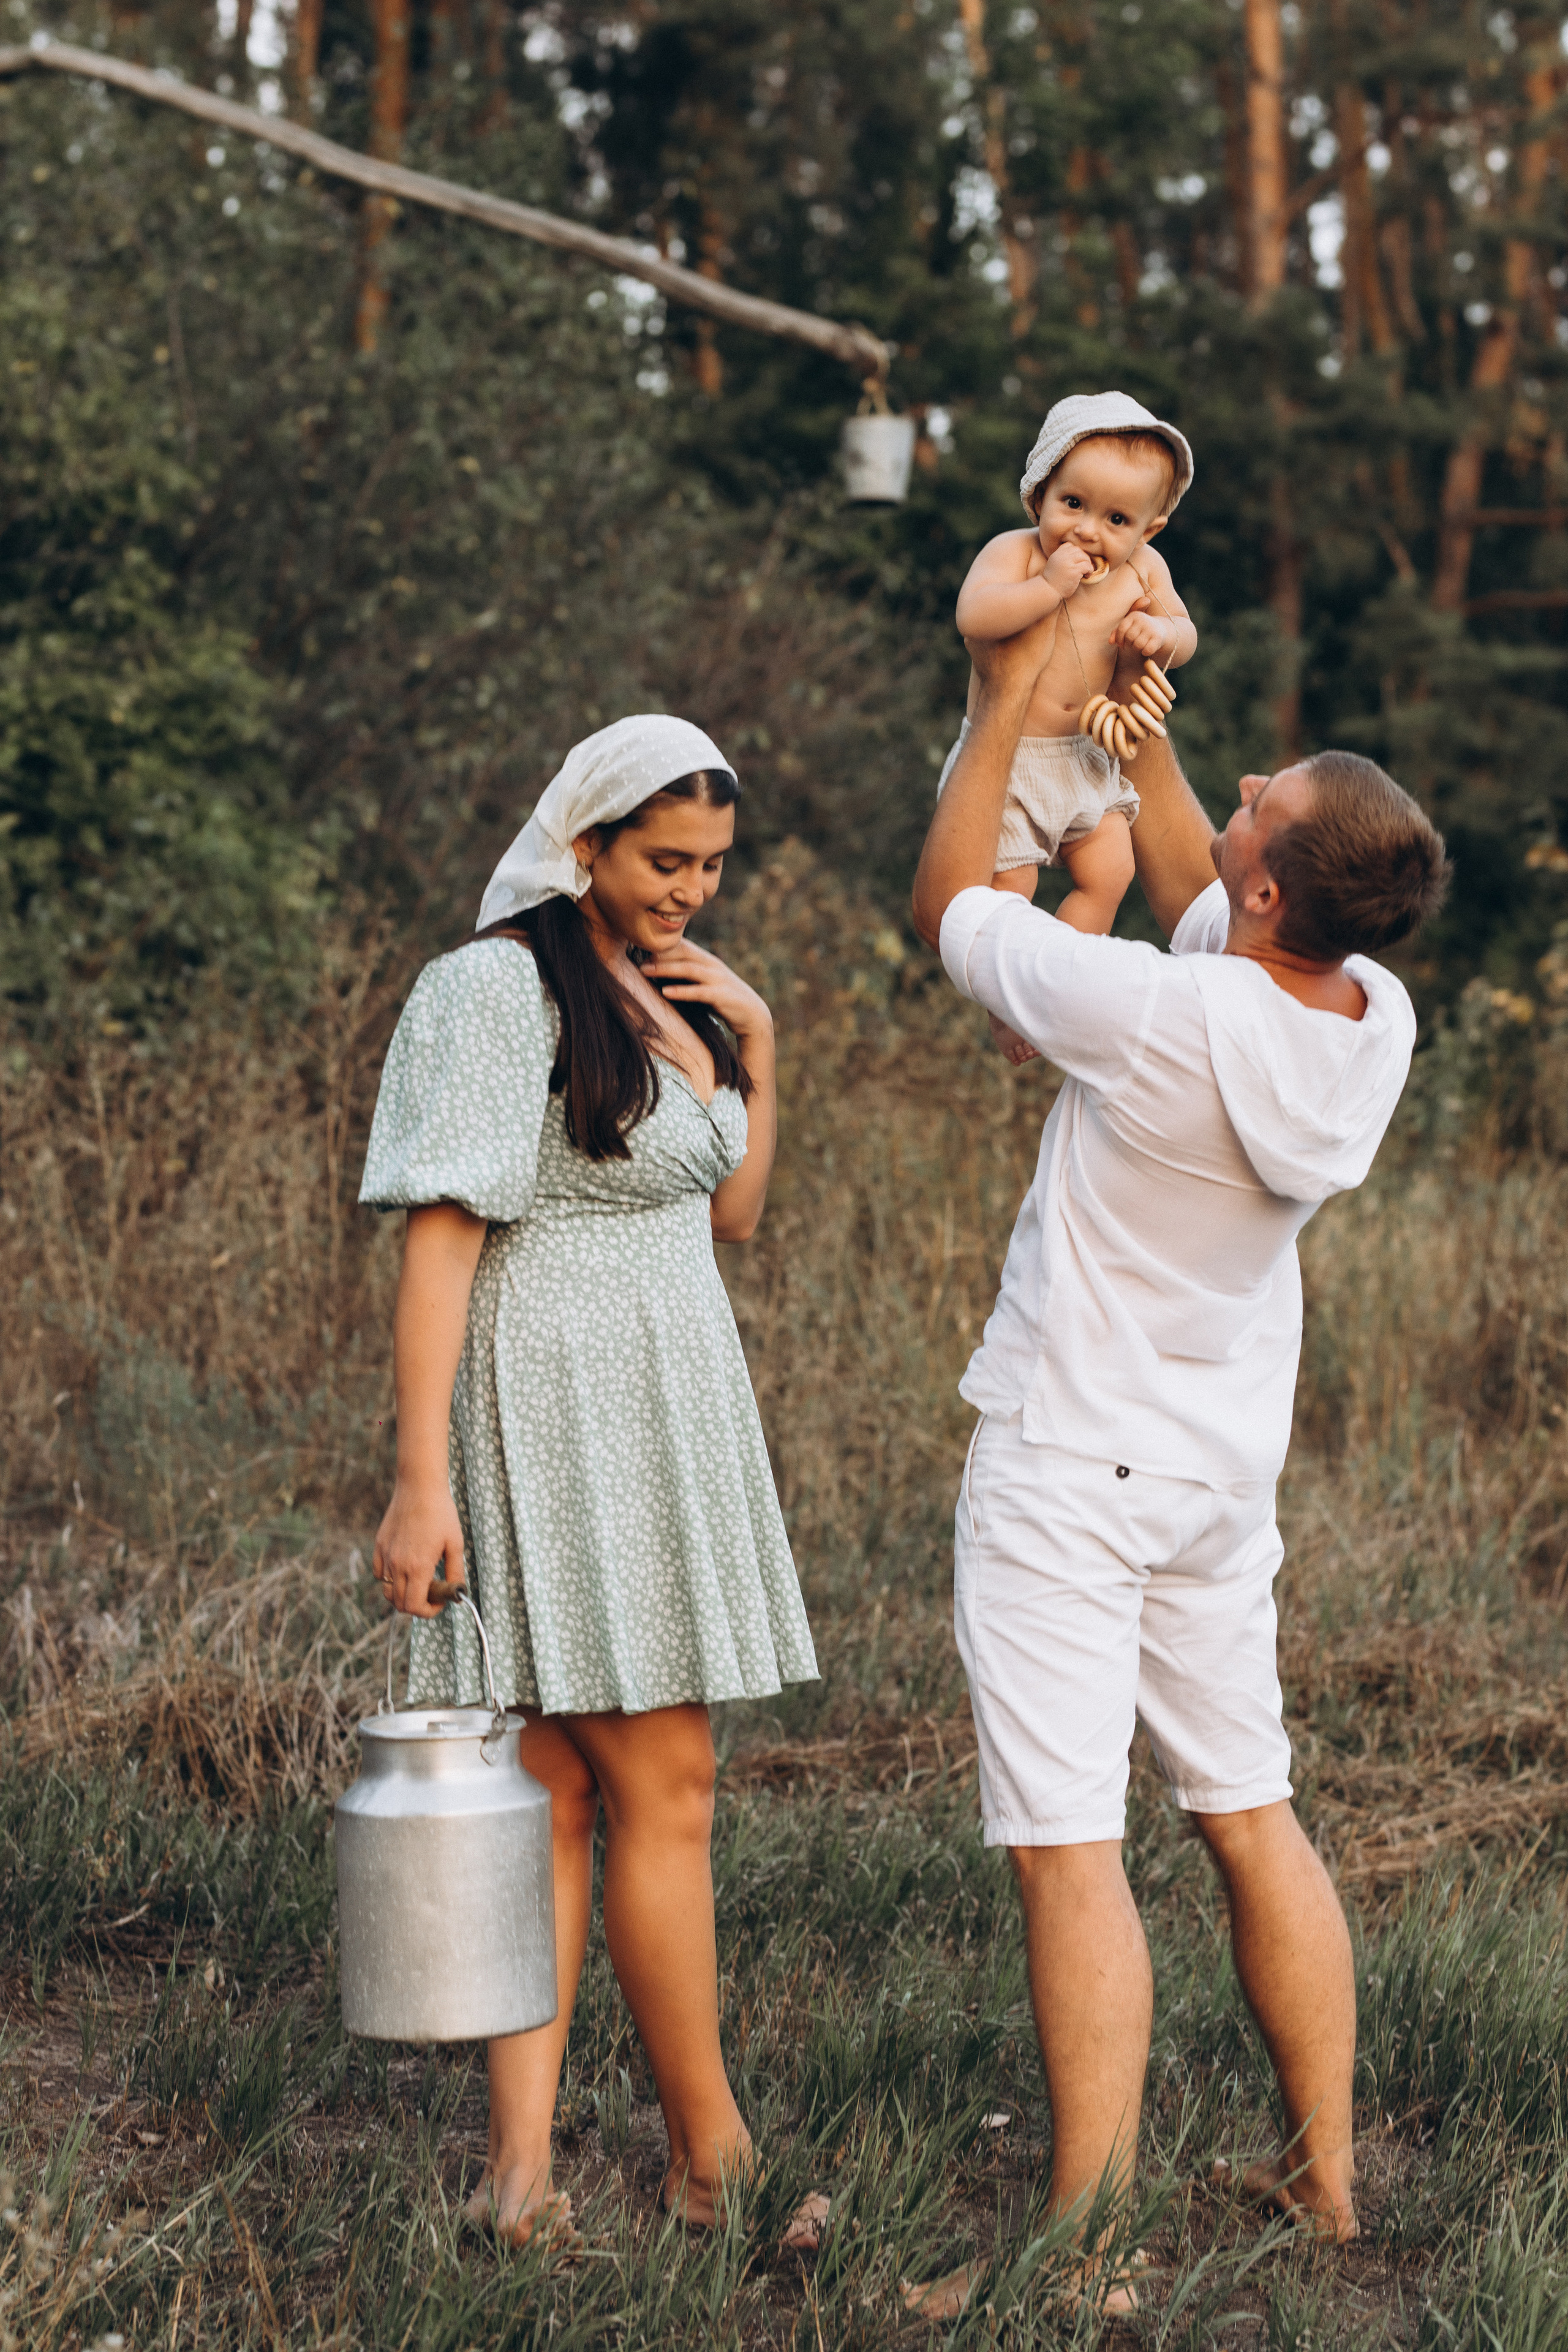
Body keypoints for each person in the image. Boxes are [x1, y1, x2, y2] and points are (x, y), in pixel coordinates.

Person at [910, 620, 1447, 2312]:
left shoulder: (1149, 1017)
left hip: (1074, 1462)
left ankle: (1086, 2249)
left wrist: (1004, 711)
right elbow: (1208, 894)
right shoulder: (1371, 1018)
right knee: (1248, 1809)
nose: (1244, 781)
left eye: (1261, 796)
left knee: (1071, 1843)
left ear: (1275, 890)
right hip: (1220, 1480)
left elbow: (954, 913)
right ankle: (1325, 2174)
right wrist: (1148, 752)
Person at [360, 715, 820, 2246]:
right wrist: (420, 1478)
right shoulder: (493, 986)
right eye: (662, 859)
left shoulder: (673, 987)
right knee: (661, 1783)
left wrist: (756, 1041)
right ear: (584, 841)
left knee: (562, 1789)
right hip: (550, 1397)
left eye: (710, 864)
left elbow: (730, 1208)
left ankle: (521, 2178)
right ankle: (713, 2159)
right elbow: (441, 1236)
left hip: (667, 1387)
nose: (690, 887)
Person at [940, 392, 1197, 1061]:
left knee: (1110, 871)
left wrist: (1160, 630)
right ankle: (1007, 1010)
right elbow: (975, 617)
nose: (1086, 531)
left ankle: (1060, 994)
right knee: (1010, 891)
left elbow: (1186, 632)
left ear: (1150, 529)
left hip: (1086, 754)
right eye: (1072, 504)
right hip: (1011, 759)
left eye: (1116, 518)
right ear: (1037, 495)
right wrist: (1048, 588)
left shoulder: (1144, 570)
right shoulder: (1017, 555)